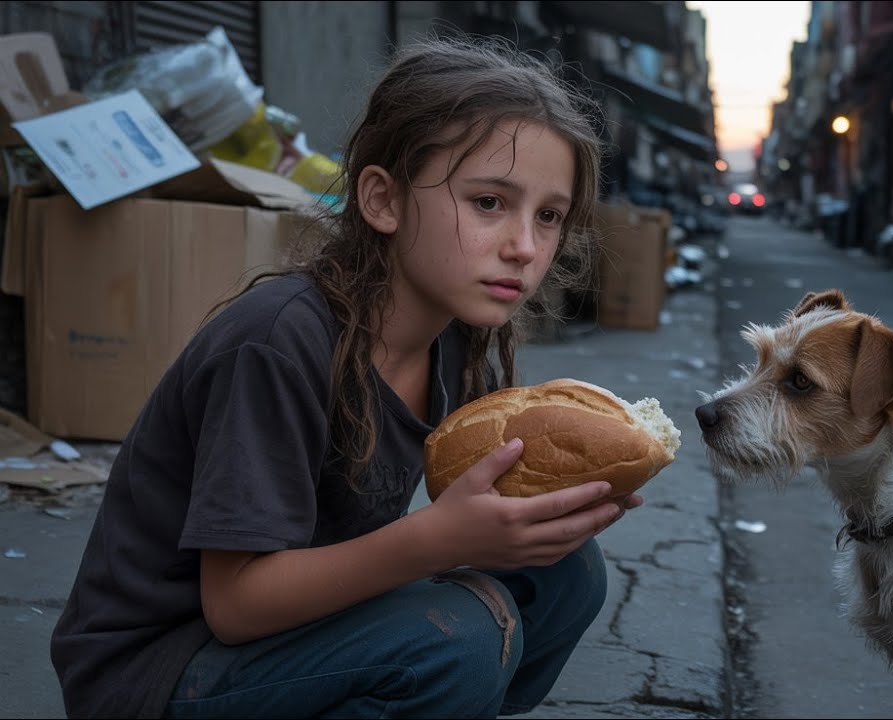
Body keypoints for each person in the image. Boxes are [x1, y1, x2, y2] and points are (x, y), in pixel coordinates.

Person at [50, 34, 641, 719]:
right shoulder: (277, 344)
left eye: (549, 217)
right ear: (383, 201)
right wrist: (438, 541)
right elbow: (236, 604)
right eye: (488, 202)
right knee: (455, 637)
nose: (525, 246)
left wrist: (562, 502)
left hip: (288, 637)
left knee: (565, 573)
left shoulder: (457, 335)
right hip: (160, 671)